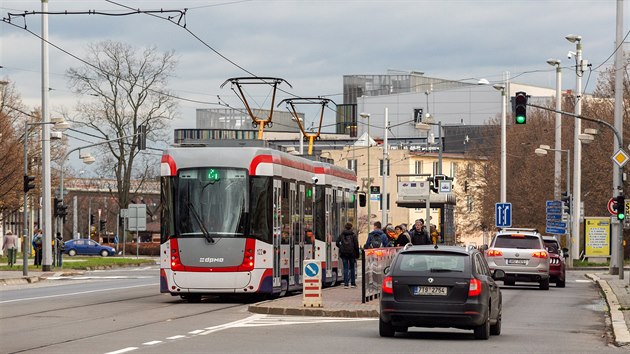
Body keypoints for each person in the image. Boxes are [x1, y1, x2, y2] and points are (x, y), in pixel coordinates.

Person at [336, 222, 359, 289]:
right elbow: (356, 245)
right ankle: (353, 283)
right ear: (351, 227)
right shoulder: (353, 235)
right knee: (352, 268)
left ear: (345, 227)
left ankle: (346, 284)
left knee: (345, 268)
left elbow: (337, 243)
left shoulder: (342, 235)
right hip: (352, 254)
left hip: (343, 253)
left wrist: (341, 247)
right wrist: (357, 255)